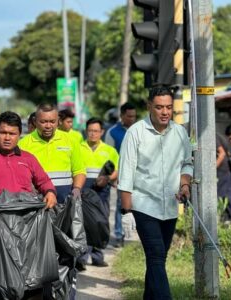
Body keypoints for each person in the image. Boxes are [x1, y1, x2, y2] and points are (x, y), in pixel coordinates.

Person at [0, 111, 57, 299]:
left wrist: (50, 193)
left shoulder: (28, 159)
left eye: (12, 133)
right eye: (3, 132)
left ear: (19, 134)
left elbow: (44, 181)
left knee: (33, 287)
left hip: (27, 235)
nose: (7, 137)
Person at [118, 86, 193, 300]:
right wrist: (126, 212)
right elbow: (126, 174)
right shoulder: (135, 132)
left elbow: (187, 164)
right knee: (156, 256)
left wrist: (185, 185)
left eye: (168, 107)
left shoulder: (179, 132)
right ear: (149, 106)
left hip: (169, 207)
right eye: (159, 107)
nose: (165, 112)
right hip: (143, 205)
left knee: (158, 259)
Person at [19, 103, 86, 204]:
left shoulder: (71, 141)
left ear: (58, 121)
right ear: (35, 122)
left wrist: (76, 189)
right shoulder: (23, 144)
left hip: (65, 202)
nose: (48, 126)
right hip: (36, 203)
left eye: (52, 122)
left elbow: (79, 170)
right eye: (43, 122)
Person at [77, 117, 119, 269]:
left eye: (96, 131)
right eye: (90, 131)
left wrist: (107, 178)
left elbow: (116, 170)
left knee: (100, 221)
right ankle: (81, 258)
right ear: (86, 131)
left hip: (102, 190)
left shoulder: (110, 151)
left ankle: (97, 256)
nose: (93, 134)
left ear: (102, 132)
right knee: (83, 223)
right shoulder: (78, 148)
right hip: (83, 188)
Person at [104, 102, 137, 247]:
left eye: (134, 116)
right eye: (129, 116)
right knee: (121, 204)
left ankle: (135, 232)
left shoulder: (140, 130)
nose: (132, 119)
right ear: (122, 116)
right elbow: (109, 157)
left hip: (140, 174)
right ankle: (119, 234)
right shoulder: (112, 132)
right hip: (121, 175)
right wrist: (113, 177)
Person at [218, 130, 231, 224]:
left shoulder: (213, 137)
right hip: (225, 171)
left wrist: (212, 168)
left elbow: (222, 154)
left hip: (223, 171)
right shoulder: (221, 137)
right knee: (225, 194)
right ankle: (230, 217)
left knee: (224, 194)